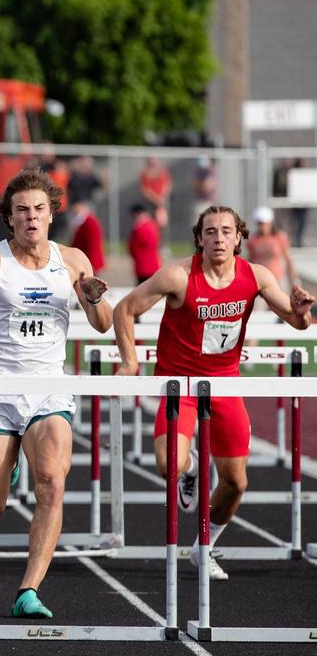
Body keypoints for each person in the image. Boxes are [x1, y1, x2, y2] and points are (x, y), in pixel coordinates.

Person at [0, 168, 112, 619]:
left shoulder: (72, 261)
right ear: (9, 219)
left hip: (48, 392)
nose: (31, 218)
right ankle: (7, 467)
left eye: (38, 209)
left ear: (52, 213)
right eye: (21, 211)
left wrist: (91, 296)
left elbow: (104, 324)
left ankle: (28, 590)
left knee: (52, 481)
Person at [112, 206, 314, 581]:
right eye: (210, 232)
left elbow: (297, 321)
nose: (218, 238)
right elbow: (124, 309)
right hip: (181, 385)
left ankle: (204, 549)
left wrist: (302, 311)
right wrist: (130, 361)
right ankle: (189, 471)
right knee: (168, 464)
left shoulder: (255, 276)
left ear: (239, 237)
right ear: (199, 238)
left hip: (225, 384)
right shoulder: (178, 276)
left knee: (236, 483)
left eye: (225, 231)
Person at [127, 203, 162, 284]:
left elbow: (134, 245)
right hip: (148, 265)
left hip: (145, 266)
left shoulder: (141, 228)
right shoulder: (152, 225)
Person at [68, 198, 105, 275]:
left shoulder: (90, 222)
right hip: (84, 260)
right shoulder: (83, 222)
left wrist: (92, 263)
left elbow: (92, 244)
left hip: (90, 261)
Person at [138, 155, 172, 232]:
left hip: (162, 202)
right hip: (150, 203)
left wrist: (162, 198)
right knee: (150, 223)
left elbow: (167, 185)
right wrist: (156, 199)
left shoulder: (163, 171)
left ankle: (162, 243)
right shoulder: (144, 173)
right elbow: (145, 189)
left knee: (162, 223)